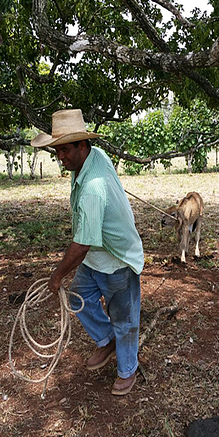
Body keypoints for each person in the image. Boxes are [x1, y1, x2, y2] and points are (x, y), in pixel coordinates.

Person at [31, 109, 144, 396]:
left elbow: (82, 243)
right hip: (96, 253)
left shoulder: (93, 188)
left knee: (125, 321)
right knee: (79, 298)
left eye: (65, 150)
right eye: (57, 150)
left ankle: (127, 370)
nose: (60, 157)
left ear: (83, 145)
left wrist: (56, 275)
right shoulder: (93, 158)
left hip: (117, 258)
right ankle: (107, 340)